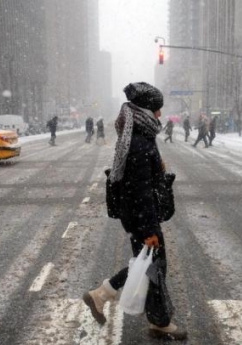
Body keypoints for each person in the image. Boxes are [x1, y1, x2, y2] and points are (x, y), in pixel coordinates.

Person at [82, 82, 187, 341]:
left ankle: (150, 316)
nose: (160, 115)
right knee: (153, 266)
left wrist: (157, 168)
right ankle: (108, 298)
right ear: (145, 111)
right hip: (141, 217)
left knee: (151, 266)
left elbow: (138, 182)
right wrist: (149, 229)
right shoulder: (139, 142)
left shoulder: (137, 136)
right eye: (157, 110)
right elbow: (140, 190)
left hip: (136, 215)